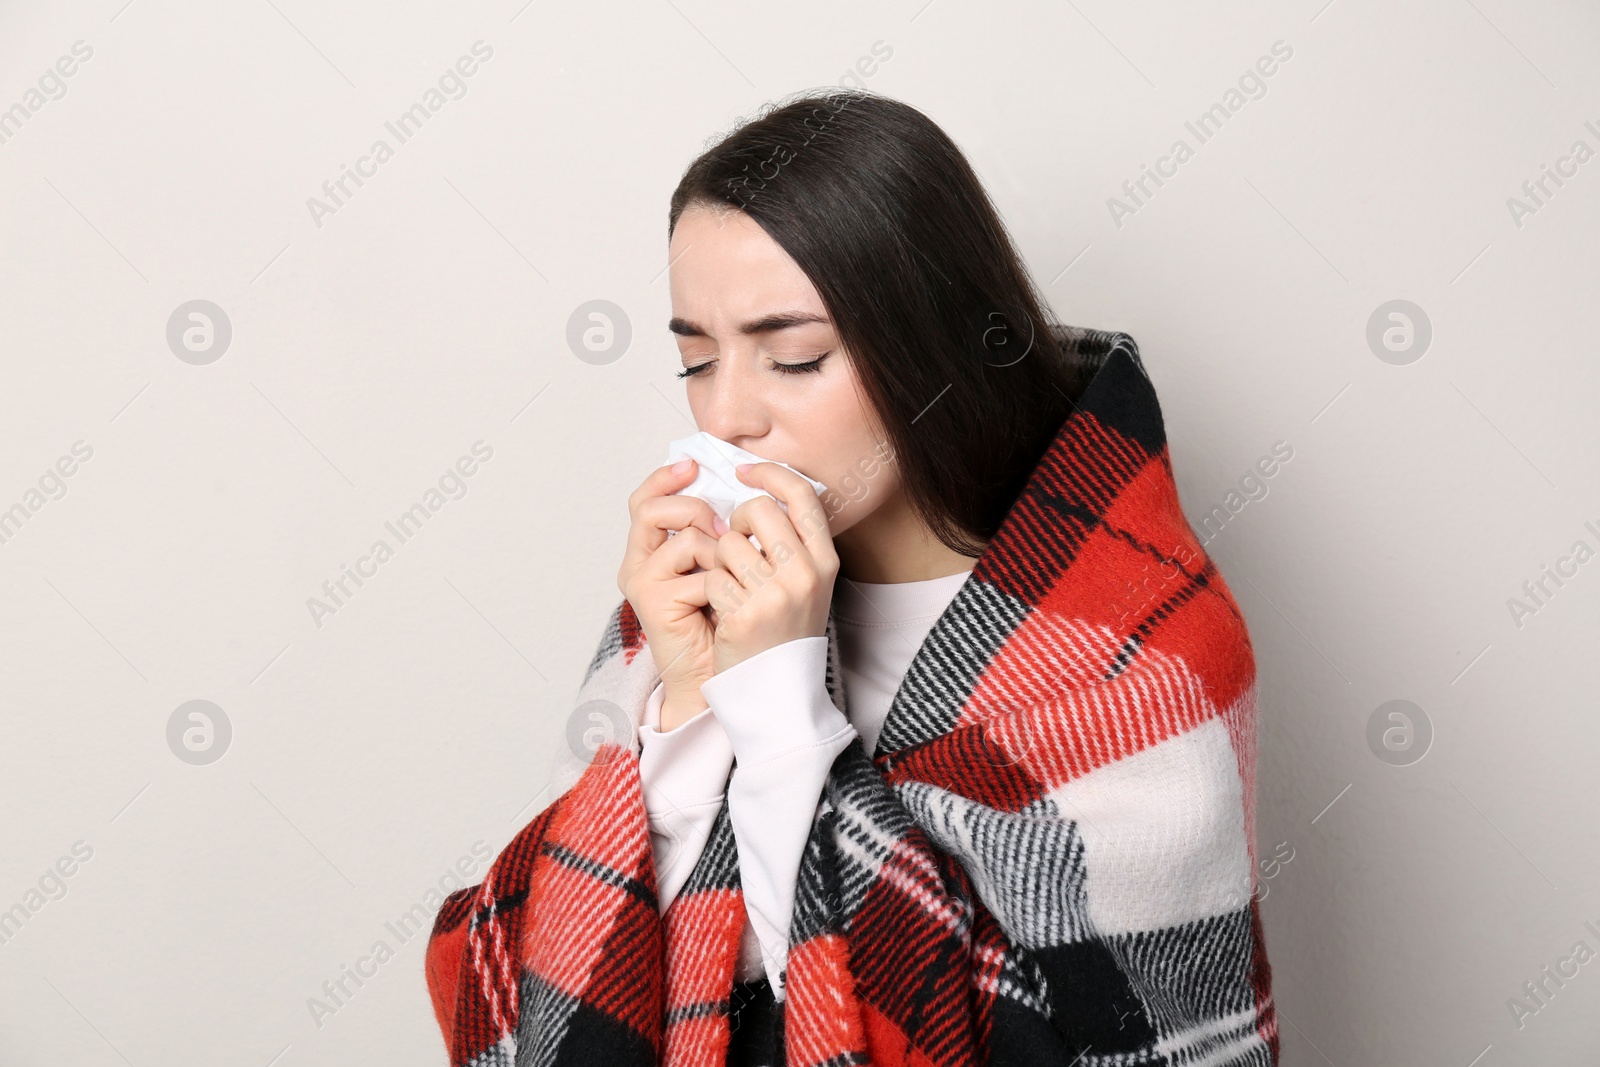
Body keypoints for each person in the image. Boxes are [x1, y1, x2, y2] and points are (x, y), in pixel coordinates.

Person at [425, 88, 1278, 1067]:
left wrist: (785, 724)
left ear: (936, 349)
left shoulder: (1138, 657)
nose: (729, 413)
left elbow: (1082, 1040)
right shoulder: (691, 595)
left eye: (794, 357)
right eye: (695, 361)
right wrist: (692, 701)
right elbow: (527, 986)